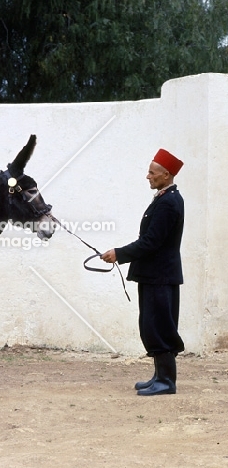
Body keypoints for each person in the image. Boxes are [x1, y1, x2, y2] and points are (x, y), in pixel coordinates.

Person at [101, 149, 184, 396]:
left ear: (166, 175)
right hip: (154, 275)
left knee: (160, 326)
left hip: (160, 276)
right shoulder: (163, 198)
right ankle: (159, 376)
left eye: (152, 172)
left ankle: (167, 381)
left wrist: (119, 253)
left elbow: (150, 242)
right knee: (151, 324)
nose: (147, 176)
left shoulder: (169, 202)